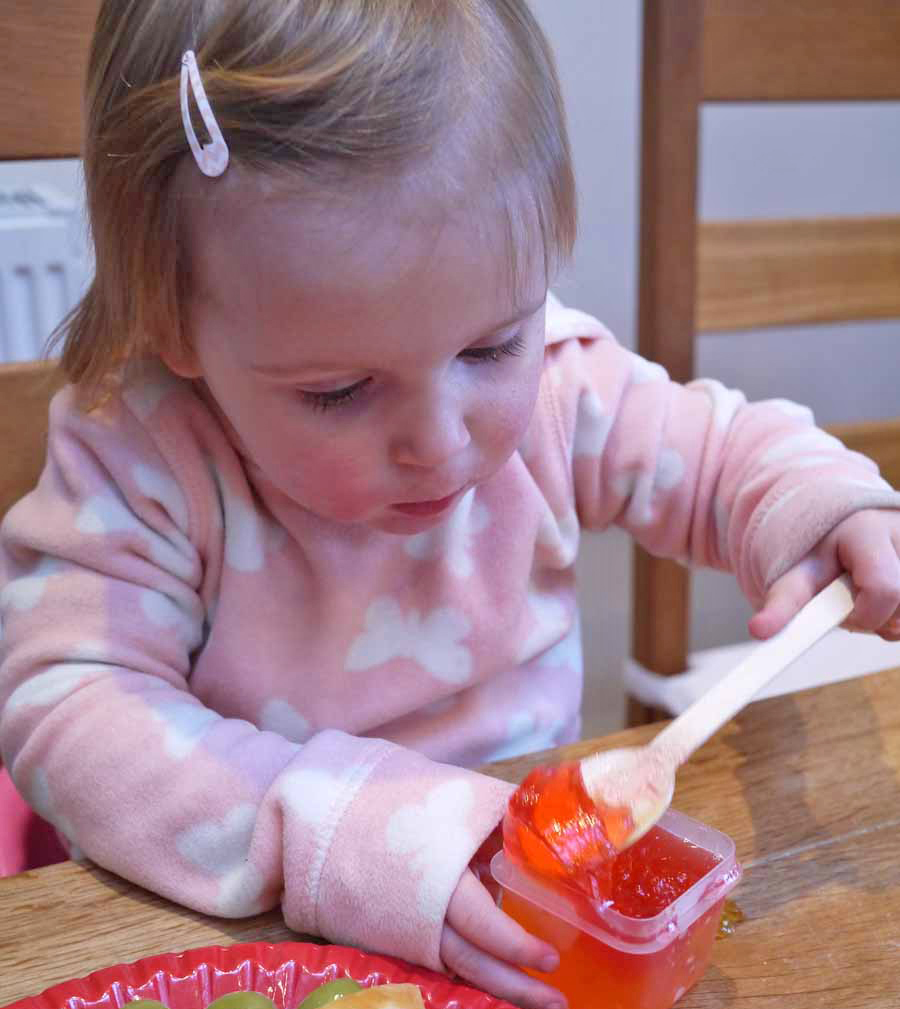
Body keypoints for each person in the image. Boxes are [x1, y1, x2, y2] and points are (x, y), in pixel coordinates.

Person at [1, 2, 899, 1007]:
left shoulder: (561, 390)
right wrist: (338, 829)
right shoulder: (147, 451)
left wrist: (819, 509)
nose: (441, 439)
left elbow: (726, 453)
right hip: (247, 939)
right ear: (170, 323)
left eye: (490, 347)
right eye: (337, 391)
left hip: (532, 924)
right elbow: (68, 710)